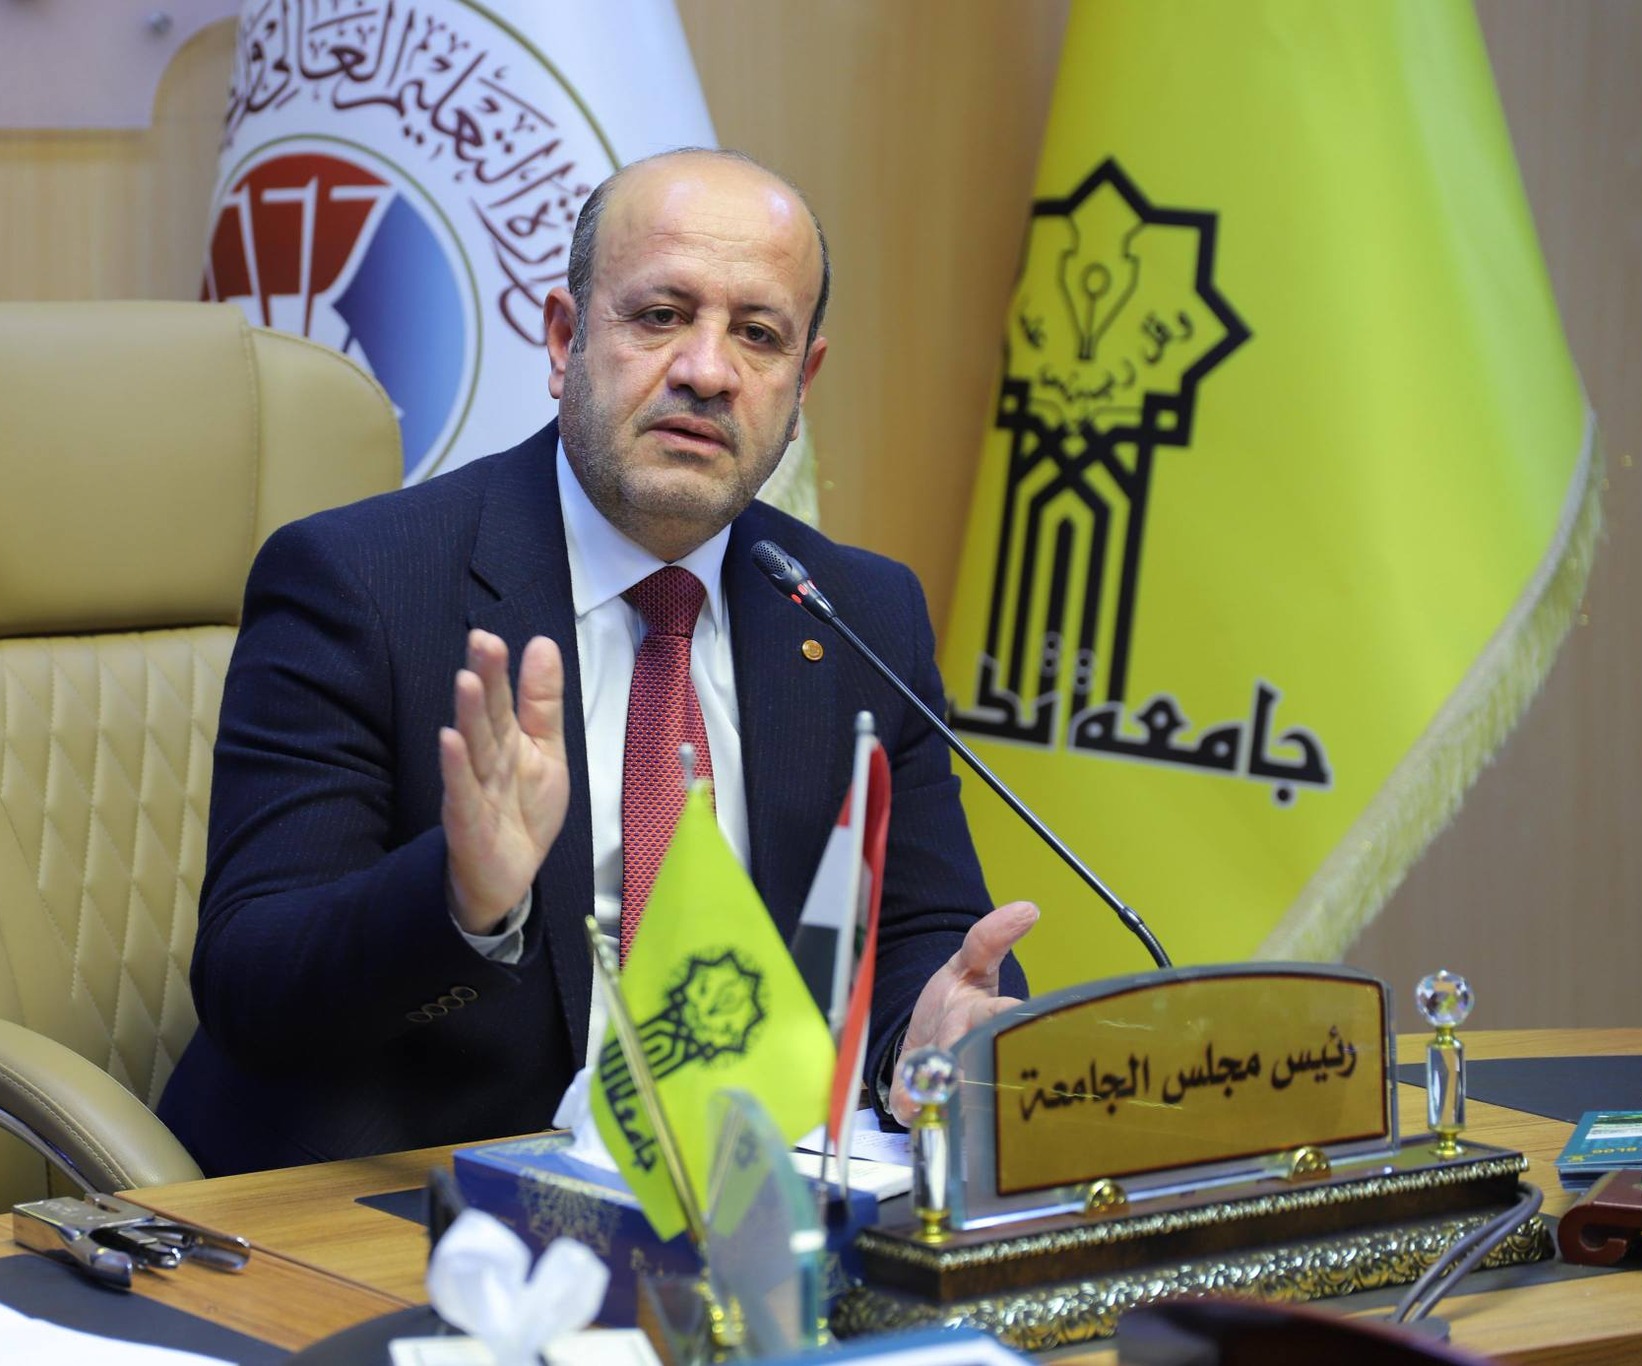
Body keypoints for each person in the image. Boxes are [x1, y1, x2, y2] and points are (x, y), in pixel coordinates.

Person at [158, 148, 1037, 1175]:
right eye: (660, 315)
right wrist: (459, 898)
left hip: (736, 1197)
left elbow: (923, 928)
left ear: (802, 383)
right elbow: (251, 982)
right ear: (564, 338)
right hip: (416, 1197)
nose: (707, 371)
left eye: (757, 336)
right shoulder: (360, 583)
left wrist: (926, 1028)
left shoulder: (857, 613)